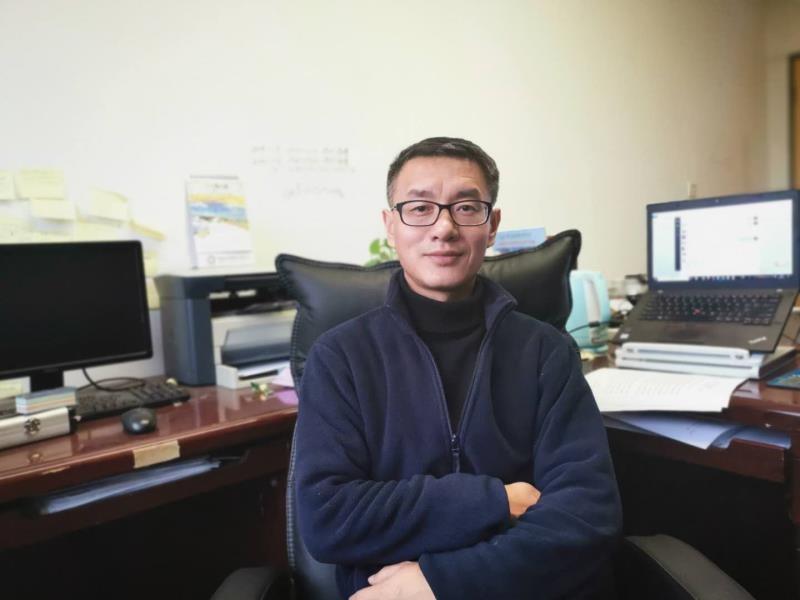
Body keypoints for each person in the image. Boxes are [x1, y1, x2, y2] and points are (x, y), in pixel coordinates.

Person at [294, 137, 622, 599]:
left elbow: (588, 514)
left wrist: (441, 581)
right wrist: (497, 501)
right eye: (419, 208)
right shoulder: (340, 356)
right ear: (390, 226)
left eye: (467, 208)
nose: (444, 228)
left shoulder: (546, 351)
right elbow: (328, 518)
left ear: (492, 226)